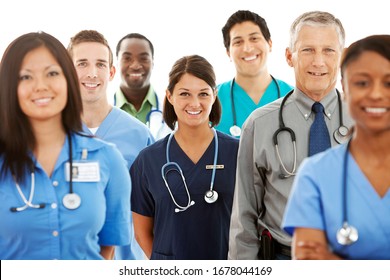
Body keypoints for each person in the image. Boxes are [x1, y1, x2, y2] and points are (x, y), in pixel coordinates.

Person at [228, 11, 354, 260]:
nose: (318, 62)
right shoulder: (259, 124)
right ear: (289, 56)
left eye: (328, 50)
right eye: (307, 50)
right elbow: (244, 214)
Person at [0, 31, 131, 260]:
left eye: (52, 73)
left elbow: (108, 248)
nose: (41, 86)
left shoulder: (108, 159)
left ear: (68, 79)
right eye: (26, 77)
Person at [282, 34, 390, 260]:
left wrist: (338, 262)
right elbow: (309, 263)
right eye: (362, 83)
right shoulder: (315, 173)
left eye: (389, 83)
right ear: (344, 87)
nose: (376, 94)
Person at [130, 55, 239, 259]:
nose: (195, 103)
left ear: (214, 96)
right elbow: (141, 232)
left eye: (203, 94)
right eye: (185, 94)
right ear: (170, 96)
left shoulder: (238, 153)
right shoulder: (148, 161)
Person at [67, 30, 154, 260]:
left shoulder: (139, 135)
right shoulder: (53, 135)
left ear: (112, 72)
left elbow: (156, 211)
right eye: (82, 64)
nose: (92, 73)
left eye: (101, 64)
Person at [215, 10, 293, 137]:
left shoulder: (294, 97)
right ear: (228, 53)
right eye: (238, 42)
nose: (248, 48)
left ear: (270, 44)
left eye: (254, 38)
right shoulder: (211, 101)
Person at [114, 33, 171, 139]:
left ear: (153, 62)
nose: (135, 65)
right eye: (127, 58)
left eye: (143, 58)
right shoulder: (101, 111)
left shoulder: (173, 110)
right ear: (117, 62)